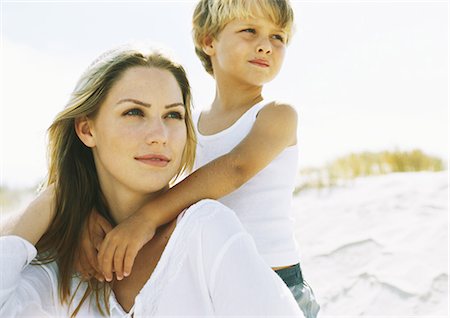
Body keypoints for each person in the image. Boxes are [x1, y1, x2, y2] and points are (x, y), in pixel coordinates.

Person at [0, 46, 303, 317]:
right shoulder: (63, 269)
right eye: (134, 112)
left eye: (173, 115)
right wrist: (56, 198)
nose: (159, 135)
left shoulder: (204, 231)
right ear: (86, 129)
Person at [81, 1, 320, 317]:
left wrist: (146, 219)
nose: (266, 46)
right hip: (206, 274)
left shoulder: (276, 115)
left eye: (278, 37)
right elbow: (152, 180)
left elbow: (235, 169)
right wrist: (90, 213)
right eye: (250, 30)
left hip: (276, 279)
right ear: (209, 41)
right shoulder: (186, 124)